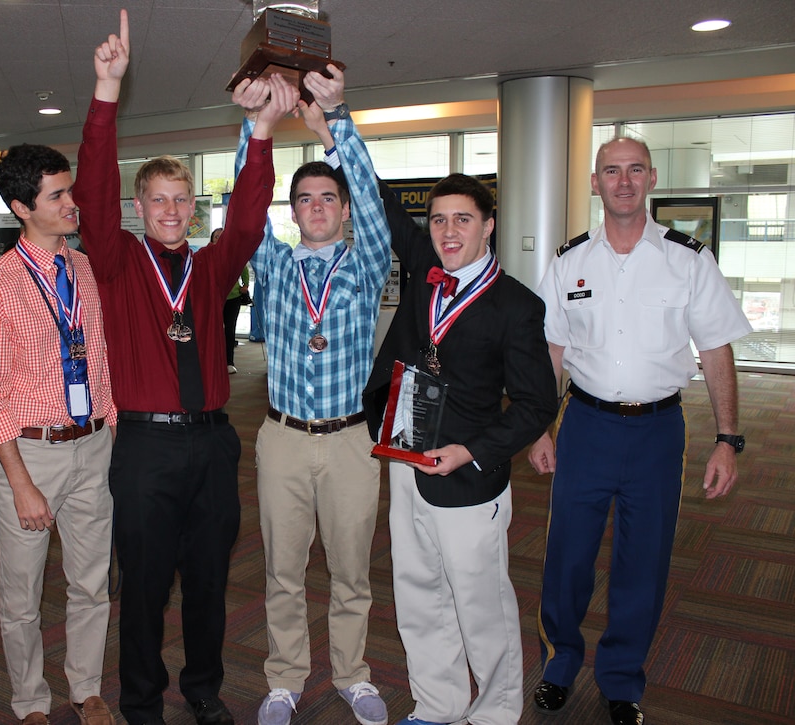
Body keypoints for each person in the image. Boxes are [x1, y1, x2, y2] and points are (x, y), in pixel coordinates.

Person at [72, 11, 297, 725]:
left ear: (192, 206)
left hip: (211, 439)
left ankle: (202, 689)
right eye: (158, 200)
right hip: (143, 446)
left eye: (182, 200)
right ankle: (140, 699)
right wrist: (106, 91)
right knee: (141, 585)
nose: (171, 209)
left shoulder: (210, 266)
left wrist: (261, 136)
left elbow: (253, 220)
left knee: (206, 580)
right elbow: (94, 196)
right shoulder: (115, 261)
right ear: (142, 207)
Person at [528, 137, 752, 725]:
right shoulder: (569, 261)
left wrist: (728, 439)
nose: (622, 181)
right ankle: (559, 662)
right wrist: (540, 427)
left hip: (658, 432)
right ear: (595, 183)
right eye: (611, 171)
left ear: (651, 178)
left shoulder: (688, 258)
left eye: (633, 170)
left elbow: (716, 349)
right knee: (567, 554)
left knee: (643, 559)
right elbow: (552, 348)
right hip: (584, 426)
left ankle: (622, 678)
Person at [365, 173, 558, 725]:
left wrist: (468, 451)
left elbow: (534, 405)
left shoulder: (517, 306)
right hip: (405, 461)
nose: (449, 231)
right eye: (439, 219)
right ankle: (438, 703)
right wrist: (335, 125)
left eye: (463, 219)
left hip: (468, 479)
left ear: (488, 225)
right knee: (418, 593)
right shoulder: (427, 266)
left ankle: (496, 712)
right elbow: (380, 201)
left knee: (482, 606)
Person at [242, 66, 392, 725]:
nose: (319, 206)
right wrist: (257, 129)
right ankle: (285, 678)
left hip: (351, 439)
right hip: (282, 437)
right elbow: (240, 217)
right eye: (306, 199)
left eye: (329, 196)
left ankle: (354, 673)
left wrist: (338, 126)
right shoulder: (272, 264)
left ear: (342, 205)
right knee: (282, 570)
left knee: (352, 573)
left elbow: (374, 202)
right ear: (294, 209)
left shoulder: (364, 261)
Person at [0, 143, 117, 725]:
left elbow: (95, 355)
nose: (72, 203)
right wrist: (21, 484)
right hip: (29, 453)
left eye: (70, 190)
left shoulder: (83, 268)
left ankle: (86, 688)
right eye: (57, 196)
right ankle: (30, 702)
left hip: (92, 444)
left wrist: (108, 427)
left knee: (91, 581)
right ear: (20, 207)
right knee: (21, 597)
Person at [211, 227, 251, 374]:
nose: (219, 239)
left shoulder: (233, 255)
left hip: (233, 298)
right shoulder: (208, 255)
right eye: (216, 237)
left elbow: (244, 269)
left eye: (222, 237)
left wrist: (245, 285)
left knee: (229, 330)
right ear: (212, 240)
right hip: (214, 299)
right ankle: (214, 362)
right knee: (213, 331)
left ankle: (229, 362)